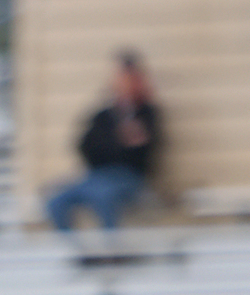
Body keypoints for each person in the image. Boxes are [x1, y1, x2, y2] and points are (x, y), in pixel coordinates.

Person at [43, 51, 162, 245]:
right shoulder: (103, 116)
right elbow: (85, 146)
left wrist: (124, 145)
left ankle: (112, 251)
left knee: (102, 195)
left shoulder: (147, 114)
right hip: (95, 176)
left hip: (128, 177)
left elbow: (142, 153)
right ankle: (77, 251)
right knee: (55, 201)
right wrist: (119, 143)